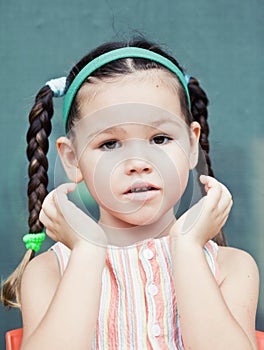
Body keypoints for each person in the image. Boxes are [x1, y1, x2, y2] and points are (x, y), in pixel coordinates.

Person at [1, 37, 259, 349]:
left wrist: (188, 247)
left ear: (192, 146)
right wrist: (87, 250)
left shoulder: (231, 268)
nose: (138, 163)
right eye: (109, 143)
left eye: (160, 138)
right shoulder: (49, 272)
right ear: (71, 159)